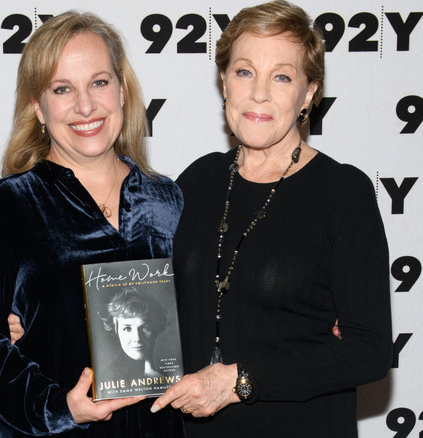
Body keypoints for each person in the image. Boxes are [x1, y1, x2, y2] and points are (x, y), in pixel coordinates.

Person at [150, 1, 393, 437]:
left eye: (281, 77)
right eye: (244, 72)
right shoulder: (198, 179)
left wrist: (239, 381)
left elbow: (370, 351)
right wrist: (32, 319)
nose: (258, 93)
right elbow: (150, 300)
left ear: (308, 93)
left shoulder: (343, 193)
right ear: (224, 81)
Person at [0, 10, 184, 438]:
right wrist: (56, 407)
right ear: (37, 106)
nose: (85, 106)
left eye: (99, 82)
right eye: (62, 89)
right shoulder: (6, 206)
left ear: (122, 90)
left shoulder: (168, 199)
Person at [102, 289, 167, 379]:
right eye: (127, 328)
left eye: (145, 327)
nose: (137, 338)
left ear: (155, 329)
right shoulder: (108, 377)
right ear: (116, 330)